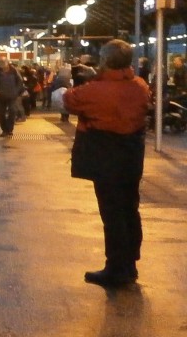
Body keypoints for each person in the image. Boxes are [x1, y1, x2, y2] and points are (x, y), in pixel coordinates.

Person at [62, 39, 149, 288]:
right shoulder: (140, 86)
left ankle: (115, 270)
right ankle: (130, 265)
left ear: (105, 61)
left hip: (105, 159)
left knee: (112, 214)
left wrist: (92, 78)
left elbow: (69, 99)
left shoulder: (95, 90)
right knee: (130, 210)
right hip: (131, 159)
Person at [0, 59, 24, 138]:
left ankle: (9, 129)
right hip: (1, 96)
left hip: (12, 95)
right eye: (0, 62)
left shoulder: (14, 71)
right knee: (1, 113)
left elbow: (20, 81)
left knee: (12, 111)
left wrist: (17, 91)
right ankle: (4, 130)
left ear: (7, 63)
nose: (1, 64)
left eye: (3, 62)